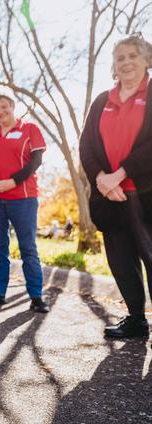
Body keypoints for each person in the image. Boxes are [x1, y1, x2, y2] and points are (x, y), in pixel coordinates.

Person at [80, 34, 152, 339]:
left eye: (132, 56)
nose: (126, 62)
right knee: (121, 260)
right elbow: (87, 144)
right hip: (110, 196)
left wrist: (121, 173)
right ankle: (136, 318)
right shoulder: (101, 101)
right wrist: (101, 179)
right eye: (120, 57)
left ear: (147, 59)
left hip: (146, 193)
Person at [0, 94, 49, 313]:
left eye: (4, 107)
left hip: (23, 198)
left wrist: (12, 182)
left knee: (28, 248)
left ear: (12, 107)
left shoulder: (29, 129)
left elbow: (36, 161)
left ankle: (36, 297)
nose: (1, 111)